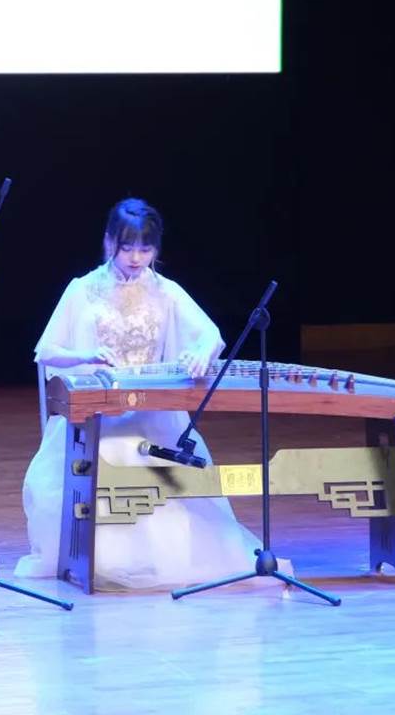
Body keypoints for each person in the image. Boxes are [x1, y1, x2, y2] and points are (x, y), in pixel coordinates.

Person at [16, 198, 262, 589]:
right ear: (108, 241)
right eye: (127, 247)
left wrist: (201, 353)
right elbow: (46, 351)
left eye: (145, 249)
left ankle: (164, 558)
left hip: (151, 412)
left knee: (163, 462)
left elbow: (211, 335)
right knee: (110, 456)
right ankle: (99, 558)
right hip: (98, 412)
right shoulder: (83, 290)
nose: (135, 258)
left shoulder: (165, 291)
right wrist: (85, 356)